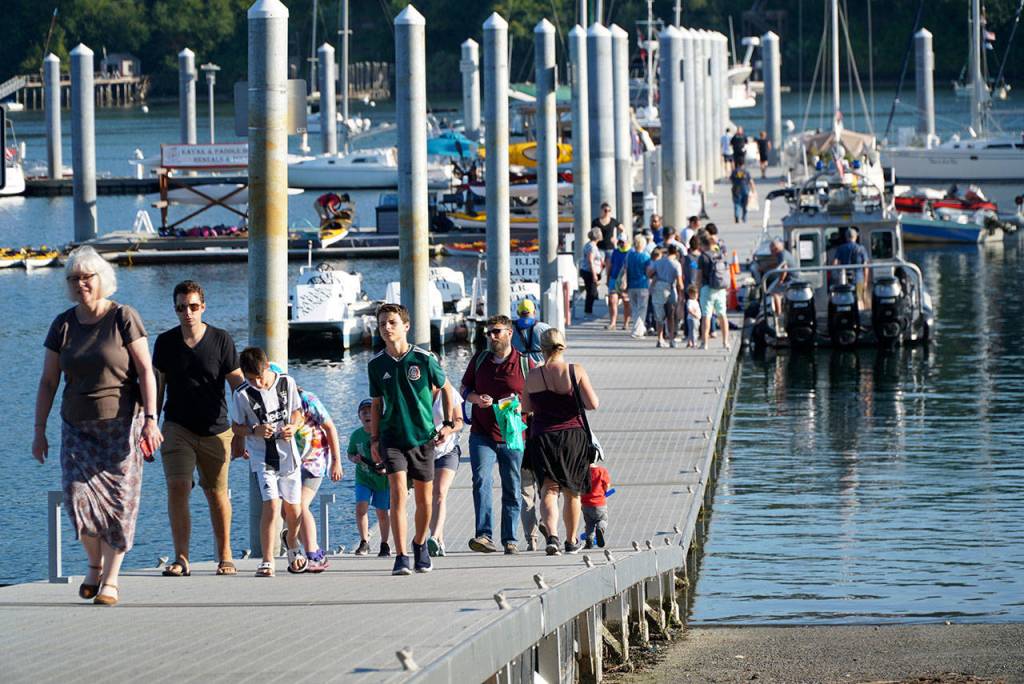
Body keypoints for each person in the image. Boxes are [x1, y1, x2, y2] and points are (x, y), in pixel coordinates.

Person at [34, 246, 163, 606]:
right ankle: (94, 564)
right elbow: (48, 381)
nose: (81, 284)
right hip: (77, 427)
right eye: (74, 278)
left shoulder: (123, 317)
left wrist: (151, 420)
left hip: (122, 426)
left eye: (87, 277)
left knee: (120, 506)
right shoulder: (62, 324)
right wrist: (38, 429)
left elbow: (145, 371)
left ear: (101, 279)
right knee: (77, 500)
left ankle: (110, 580)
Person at [153, 280, 244, 578]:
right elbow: (157, 387)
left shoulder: (221, 340)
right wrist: (149, 424)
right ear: (175, 309)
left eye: (193, 306)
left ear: (203, 307)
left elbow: (238, 387)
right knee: (178, 486)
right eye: (181, 308)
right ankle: (181, 558)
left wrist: (243, 430)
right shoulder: (165, 343)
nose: (188, 313)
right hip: (177, 426)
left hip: (216, 429)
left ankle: (225, 555)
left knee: (216, 494)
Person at [368, 303, 454, 575]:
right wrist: (374, 439)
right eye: (382, 324)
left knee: (424, 500)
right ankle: (401, 555)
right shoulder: (376, 364)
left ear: (406, 326)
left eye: (392, 322)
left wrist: (448, 424)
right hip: (392, 438)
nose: (386, 328)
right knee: (396, 494)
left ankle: (419, 544)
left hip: (422, 438)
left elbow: (446, 388)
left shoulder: (423, 358)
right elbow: (376, 404)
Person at [522, 329, 600, 556]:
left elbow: (526, 407)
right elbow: (593, 404)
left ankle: (552, 537)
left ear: (542, 348)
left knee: (548, 489)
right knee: (572, 492)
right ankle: (571, 540)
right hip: (572, 437)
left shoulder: (533, 375)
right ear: (563, 345)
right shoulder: (576, 370)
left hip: (542, 437)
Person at [461, 315, 533, 554]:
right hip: (482, 433)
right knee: (481, 480)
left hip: (512, 435)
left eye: (496, 332)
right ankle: (484, 535)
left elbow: (536, 398)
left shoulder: (525, 363)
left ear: (509, 333)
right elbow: (464, 389)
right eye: (488, 332)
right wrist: (475, 399)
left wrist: (520, 405)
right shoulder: (480, 359)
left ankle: (510, 539)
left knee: (512, 486)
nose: (491, 336)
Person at [231, 347, 305, 577]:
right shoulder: (241, 394)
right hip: (263, 458)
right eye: (251, 379)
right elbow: (236, 427)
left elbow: (298, 412)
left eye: (260, 377)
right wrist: (254, 430)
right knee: (271, 505)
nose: (258, 383)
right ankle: (267, 560)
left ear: (266, 367)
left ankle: (292, 542)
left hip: (289, 457)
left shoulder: (286, 382)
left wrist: (293, 427)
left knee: (293, 510)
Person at [293, 385, 343, 572]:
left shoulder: (307, 399)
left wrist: (336, 462)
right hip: (292, 463)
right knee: (287, 511)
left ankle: (312, 554)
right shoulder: (275, 403)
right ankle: (313, 550)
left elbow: (330, 428)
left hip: (314, 460)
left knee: (300, 504)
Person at [348, 399, 391, 557]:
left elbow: (393, 454)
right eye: (364, 412)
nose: (367, 415)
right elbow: (350, 453)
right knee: (361, 507)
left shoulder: (384, 433)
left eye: (370, 412)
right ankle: (364, 542)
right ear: (359, 416)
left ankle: (384, 544)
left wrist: (387, 467)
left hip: (382, 480)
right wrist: (354, 459)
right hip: (363, 478)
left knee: (382, 512)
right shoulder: (356, 435)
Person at [427, 379, 464, 557]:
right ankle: (439, 541)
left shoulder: (448, 392)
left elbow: (459, 421)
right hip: (424, 452)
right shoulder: (417, 392)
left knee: (440, 492)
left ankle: (434, 537)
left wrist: (447, 430)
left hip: (448, 450)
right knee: (428, 498)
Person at [699, 225, 731, 350]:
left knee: (706, 315)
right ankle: (725, 342)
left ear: (703, 245)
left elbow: (699, 275)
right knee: (722, 315)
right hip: (720, 288)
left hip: (707, 288)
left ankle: (705, 343)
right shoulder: (719, 254)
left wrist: (697, 288)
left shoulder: (703, 257)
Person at [648, 244, 684, 348]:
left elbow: (649, 273)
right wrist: (681, 295)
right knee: (670, 315)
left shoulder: (658, 262)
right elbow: (680, 283)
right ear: (676, 253)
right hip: (670, 288)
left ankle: (660, 339)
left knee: (659, 316)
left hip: (659, 287)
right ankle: (671, 338)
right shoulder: (676, 264)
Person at [832, 227, 871, 308]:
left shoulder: (841, 248)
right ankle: (860, 313)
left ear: (846, 237)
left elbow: (834, 263)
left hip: (844, 278)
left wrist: (838, 272)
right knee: (859, 299)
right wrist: (866, 281)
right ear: (856, 237)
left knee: (845, 299)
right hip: (859, 278)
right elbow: (865, 266)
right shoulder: (861, 249)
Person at [625, 234, 652, 339]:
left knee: (635, 309)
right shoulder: (646, 256)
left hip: (631, 285)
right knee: (642, 309)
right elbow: (648, 272)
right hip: (643, 284)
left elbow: (626, 269)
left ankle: (637, 328)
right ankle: (638, 332)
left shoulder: (629, 255)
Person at [767, 239, 800, 318]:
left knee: (774, 292)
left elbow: (784, 269)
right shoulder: (784, 253)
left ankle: (778, 314)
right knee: (775, 288)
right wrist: (767, 266)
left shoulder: (781, 255)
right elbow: (778, 264)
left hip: (791, 279)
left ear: (776, 249)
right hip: (791, 278)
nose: (771, 253)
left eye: (771, 251)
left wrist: (780, 281)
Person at [581, 462, 611, 549]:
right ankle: (600, 528)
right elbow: (606, 485)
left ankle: (589, 541)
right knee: (602, 520)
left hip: (585, 504)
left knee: (589, 524)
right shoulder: (601, 471)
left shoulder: (581, 471)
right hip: (599, 503)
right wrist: (605, 492)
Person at [511, 299, 550, 364]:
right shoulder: (545, 328)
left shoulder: (510, 330)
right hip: (540, 367)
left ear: (518, 313)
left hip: (519, 367)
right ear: (534, 312)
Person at [606, 239, 631, 330]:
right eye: (620, 242)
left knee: (626, 302)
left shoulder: (631, 252)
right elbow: (610, 265)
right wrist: (608, 278)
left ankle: (626, 323)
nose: (621, 244)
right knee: (613, 301)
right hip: (614, 278)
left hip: (626, 280)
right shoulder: (615, 252)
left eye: (623, 242)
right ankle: (613, 323)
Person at [579, 228, 604, 315]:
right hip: (589, 272)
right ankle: (588, 311)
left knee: (591, 290)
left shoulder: (589, 245)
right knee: (591, 292)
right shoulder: (592, 247)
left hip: (587, 270)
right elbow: (590, 260)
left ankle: (590, 310)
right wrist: (594, 275)